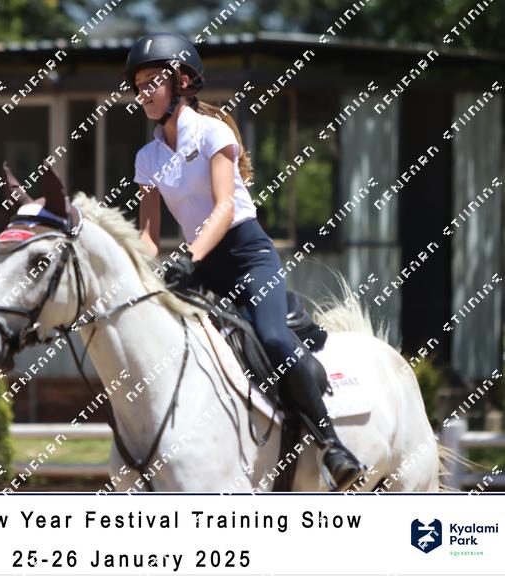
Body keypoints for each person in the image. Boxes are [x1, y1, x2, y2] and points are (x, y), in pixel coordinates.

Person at [124, 32, 366, 491]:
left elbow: (224, 208)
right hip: (200, 268)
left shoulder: (212, 133)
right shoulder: (147, 158)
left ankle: (332, 445)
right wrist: (130, 271)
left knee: (272, 337)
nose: (144, 93)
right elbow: (148, 238)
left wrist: (189, 256)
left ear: (181, 82)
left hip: (247, 255)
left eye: (152, 82)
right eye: (138, 86)